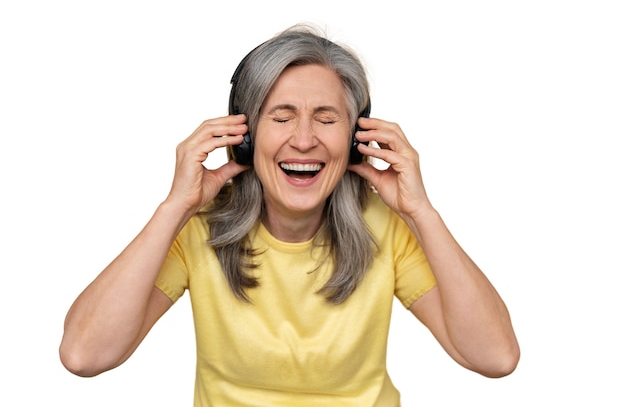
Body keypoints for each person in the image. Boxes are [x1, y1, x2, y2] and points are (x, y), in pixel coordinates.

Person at [59, 24, 520, 406]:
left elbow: (495, 358)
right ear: (244, 136)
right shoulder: (197, 229)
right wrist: (174, 207)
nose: (303, 140)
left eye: (326, 117)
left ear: (357, 136)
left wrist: (422, 212)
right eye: (280, 118)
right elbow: (84, 355)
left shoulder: (386, 226)